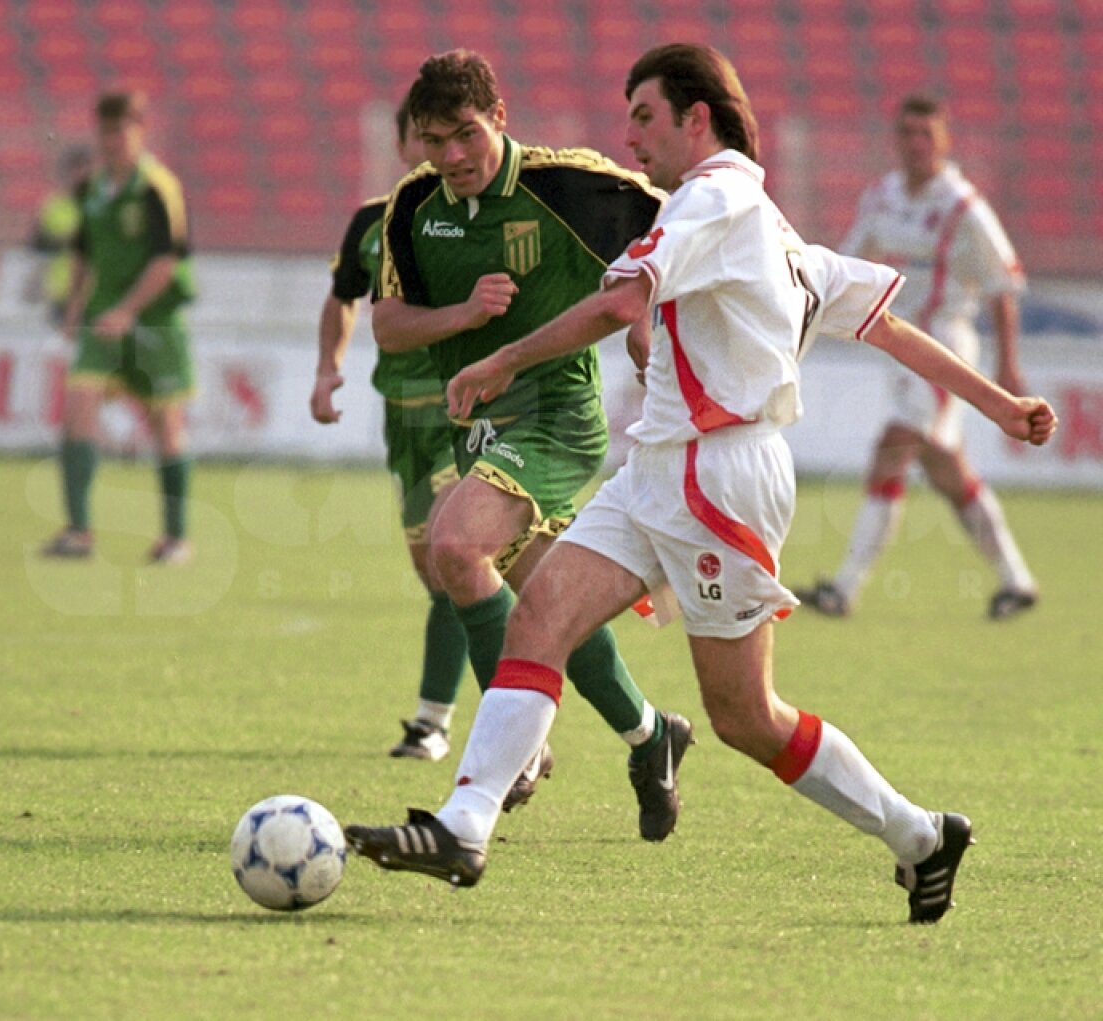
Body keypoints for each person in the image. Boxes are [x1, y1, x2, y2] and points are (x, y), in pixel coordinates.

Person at [344, 44, 1058, 923]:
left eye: (644, 115)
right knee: (539, 618)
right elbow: (889, 326)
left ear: (697, 117)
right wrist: (999, 405)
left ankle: (921, 835)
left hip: (720, 475)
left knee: (747, 716)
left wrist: (504, 358)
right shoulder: (768, 228)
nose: (630, 134)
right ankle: (465, 823)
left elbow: (617, 303)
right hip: (660, 462)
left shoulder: (713, 198)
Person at [369, 49, 695, 839]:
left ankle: (512, 751)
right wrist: (464, 318)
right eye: (433, 140)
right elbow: (386, 323)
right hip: (478, 424)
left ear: (500, 119)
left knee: (455, 543)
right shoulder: (413, 206)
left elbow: (691, 232)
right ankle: (653, 736)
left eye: (466, 135)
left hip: (556, 415)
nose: (451, 156)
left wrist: (648, 325)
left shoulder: (572, 186)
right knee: (549, 606)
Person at [796, 94, 1038, 621]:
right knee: (947, 471)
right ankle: (1016, 581)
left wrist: (1007, 365)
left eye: (926, 134)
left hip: (945, 346)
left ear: (945, 142)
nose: (915, 144)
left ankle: (844, 588)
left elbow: (1004, 285)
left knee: (893, 446)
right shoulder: (883, 197)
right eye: (907, 133)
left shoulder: (963, 207)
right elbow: (848, 260)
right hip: (900, 347)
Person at [309, 102, 469, 762]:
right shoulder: (372, 223)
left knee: (457, 561)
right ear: (403, 141)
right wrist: (327, 370)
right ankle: (511, 694)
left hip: (463, 413)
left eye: (443, 136)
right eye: (421, 134)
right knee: (436, 577)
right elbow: (343, 296)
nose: (431, 147)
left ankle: (438, 721)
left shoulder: (468, 218)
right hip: (402, 419)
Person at [41, 89, 197, 564]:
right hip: (102, 320)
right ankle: (79, 532)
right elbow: (85, 254)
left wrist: (127, 310)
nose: (112, 141)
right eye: (105, 131)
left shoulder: (157, 188)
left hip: (152, 319)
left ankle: (175, 539)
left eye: (120, 130)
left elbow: (167, 262)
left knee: (164, 426)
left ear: (140, 131)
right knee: (78, 406)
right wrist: (74, 310)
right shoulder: (90, 188)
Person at [28, 144, 94, 326]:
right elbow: (37, 245)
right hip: (62, 291)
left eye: (84, 168)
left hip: (94, 292)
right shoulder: (53, 206)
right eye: (75, 169)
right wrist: (69, 240)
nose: (80, 175)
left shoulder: (103, 206)